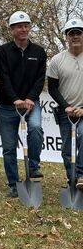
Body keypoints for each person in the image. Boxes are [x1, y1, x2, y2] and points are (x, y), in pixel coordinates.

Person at [0, 11, 47, 197]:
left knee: (35, 129)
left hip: (31, 104)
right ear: (11, 30)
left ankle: (33, 166)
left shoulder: (39, 52)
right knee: (9, 147)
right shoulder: (2, 51)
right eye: (19, 26)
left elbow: (40, 78)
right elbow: (4, 77)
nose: (23, 29)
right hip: (8, 106)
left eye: (26, 25)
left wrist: (30, 98)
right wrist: (15, 99)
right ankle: (13, 184)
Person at [47, 18, 83, 190]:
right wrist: (66, 106)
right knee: (67, 150)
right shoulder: (57, 60)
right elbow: (53, 89)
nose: (75, 36)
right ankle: (73, 181)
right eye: (71, 33)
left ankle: (81, 175)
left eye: (78, 33)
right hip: (65, 112)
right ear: (66, 37)